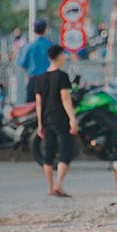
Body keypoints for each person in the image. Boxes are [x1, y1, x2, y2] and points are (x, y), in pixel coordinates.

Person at [35, 45, 78, 197]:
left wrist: (40, 123)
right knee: (65, 152)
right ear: (59, 56)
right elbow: (65, 99)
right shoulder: (62, 77)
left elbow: (38, 103)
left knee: (48, 154)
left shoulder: (40, 78)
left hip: (46, 119)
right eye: (63, 54)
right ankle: (59, 185)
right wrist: (72, 119)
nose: (65, 56)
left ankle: (50, 187)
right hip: (61, 119)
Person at [16, 18, 53, 102]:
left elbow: (22, 63)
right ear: (45, 30)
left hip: (34, 81)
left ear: (34, 30)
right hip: (48, 81)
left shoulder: (29, 46)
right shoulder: (50, 46)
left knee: (31, 108)